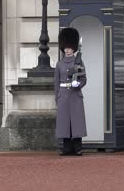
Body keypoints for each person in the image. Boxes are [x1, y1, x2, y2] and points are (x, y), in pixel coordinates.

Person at [54, 27, 87, 156]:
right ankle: (66, 147)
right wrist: (57, 97)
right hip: (63, 95)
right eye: (66, 48)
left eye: (70, 47)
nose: (67, 50)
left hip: (75, 95)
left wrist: (77, 84)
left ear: (73, 48)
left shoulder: (78, 61)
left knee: (76, 122)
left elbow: (84, 79)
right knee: (64, 122)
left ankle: (78, 147)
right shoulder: (59, 64)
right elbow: (56, 82)